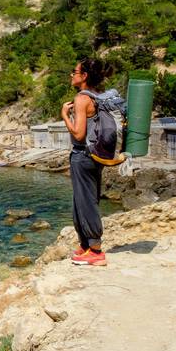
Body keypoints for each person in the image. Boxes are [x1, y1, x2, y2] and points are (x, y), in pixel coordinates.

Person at [61, 59, 107, 266]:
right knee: (84, 199)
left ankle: (96, 251)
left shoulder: (81, 98)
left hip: (83, 155)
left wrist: (64, 116)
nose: (72, 75)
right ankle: (86, 244)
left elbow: (79, 134)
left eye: (75, 71)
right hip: (96, 155)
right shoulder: (98, 96)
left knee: (85, 201)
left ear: (84, 76)